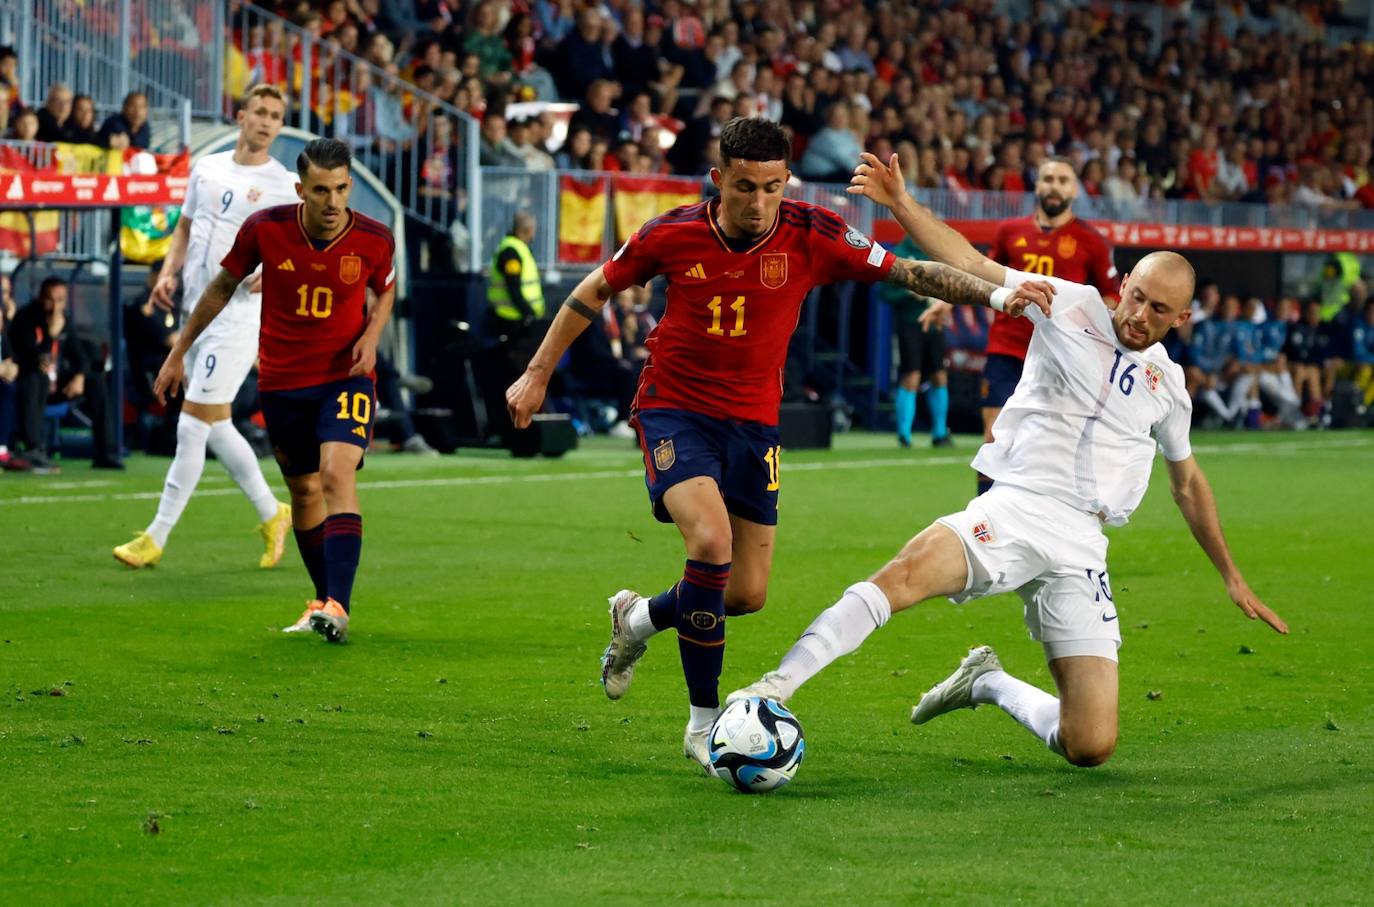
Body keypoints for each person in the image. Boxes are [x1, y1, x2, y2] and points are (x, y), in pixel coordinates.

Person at [504, 117, 1052, 772]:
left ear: (786, 180)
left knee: (741, 594)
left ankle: (640, 618)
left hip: (755, 425)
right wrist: (538, 372)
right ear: (717, 181)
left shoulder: (812, 232)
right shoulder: (670, 233)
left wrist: (999, 293)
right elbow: (594, 290)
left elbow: (908, 270)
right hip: (674, 410)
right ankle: (705, 722)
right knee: (709, 544)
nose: (758, 203)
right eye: (743, 188)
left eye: (771, 187)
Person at [730, 151, 1287, 769]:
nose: (1137, 316)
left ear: (1182, 318)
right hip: (1018, 505)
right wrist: (900, 204)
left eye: (1158, 311)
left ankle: (986, 681)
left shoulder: (1169, 385)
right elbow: (968, 262)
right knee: (904, 577)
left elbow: (1187, 484)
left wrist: (1232, 576)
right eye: (1135, 297)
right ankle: (773, 688)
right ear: (1122, 282)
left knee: (1090, 744)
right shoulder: (1069, 306)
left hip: (1083, 543)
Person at [154, 138, 396, 644]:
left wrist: (372, 336)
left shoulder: (375, 237)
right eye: (321, 191)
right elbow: (221, 287)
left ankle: (339, 605)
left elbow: (386, 286)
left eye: (341, 189)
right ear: (300, 189)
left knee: (335, 474)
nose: (333, 202)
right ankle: (323, 601)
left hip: (345, 378)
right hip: (284, 382)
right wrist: (178, 352)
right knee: (305, 492)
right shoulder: (265, 229)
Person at [113, 85, 299, 570]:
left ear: (280, 126)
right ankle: (272, 511)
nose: (265, 121)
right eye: (259, 111)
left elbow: (301, 247)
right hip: (196, 308)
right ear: (241, 116)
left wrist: (274, 271)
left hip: (236, 316)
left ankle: (155, 537)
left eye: (275, 116)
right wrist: (170, 271)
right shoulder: (208, 167)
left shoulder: (282, 184)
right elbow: (183, 226)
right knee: (216, 424)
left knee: (192, 424)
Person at [923, 158, 1119, 493]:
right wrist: (945, 300)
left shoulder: (1093, 241)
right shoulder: (1010, 231)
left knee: (1050, 446)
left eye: (1062, 180)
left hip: (1061, 359)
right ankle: (985, 515)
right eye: (1047, 179)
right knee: (996, 436)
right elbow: (982, 271)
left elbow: (1112, 297)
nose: (1054, 186)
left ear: (1073, 190)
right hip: (1008, 347)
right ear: (1037, 186)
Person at [10, 277, 121, 472]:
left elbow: (81, 358)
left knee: (95, 381)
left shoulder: (65, 321)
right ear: (41, 298)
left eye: (60, 300)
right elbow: (33, 357)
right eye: (51, 299)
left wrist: (79, 377)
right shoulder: (25, 318)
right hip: (29, 383)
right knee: (37, 377)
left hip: (56, 383)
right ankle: (33, 449)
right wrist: (51, 334)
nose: (55, 306)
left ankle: (106, 453)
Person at [878, 235, 952, 448]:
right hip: (910, 323)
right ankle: (904, 434)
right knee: (912, 374)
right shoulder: (899, 253)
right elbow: (884, 292)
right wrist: (907, 293)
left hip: (935, 323)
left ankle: (940, 432)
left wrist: (945, 302)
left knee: (939, 374)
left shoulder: (936, 252)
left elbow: (951, 284)